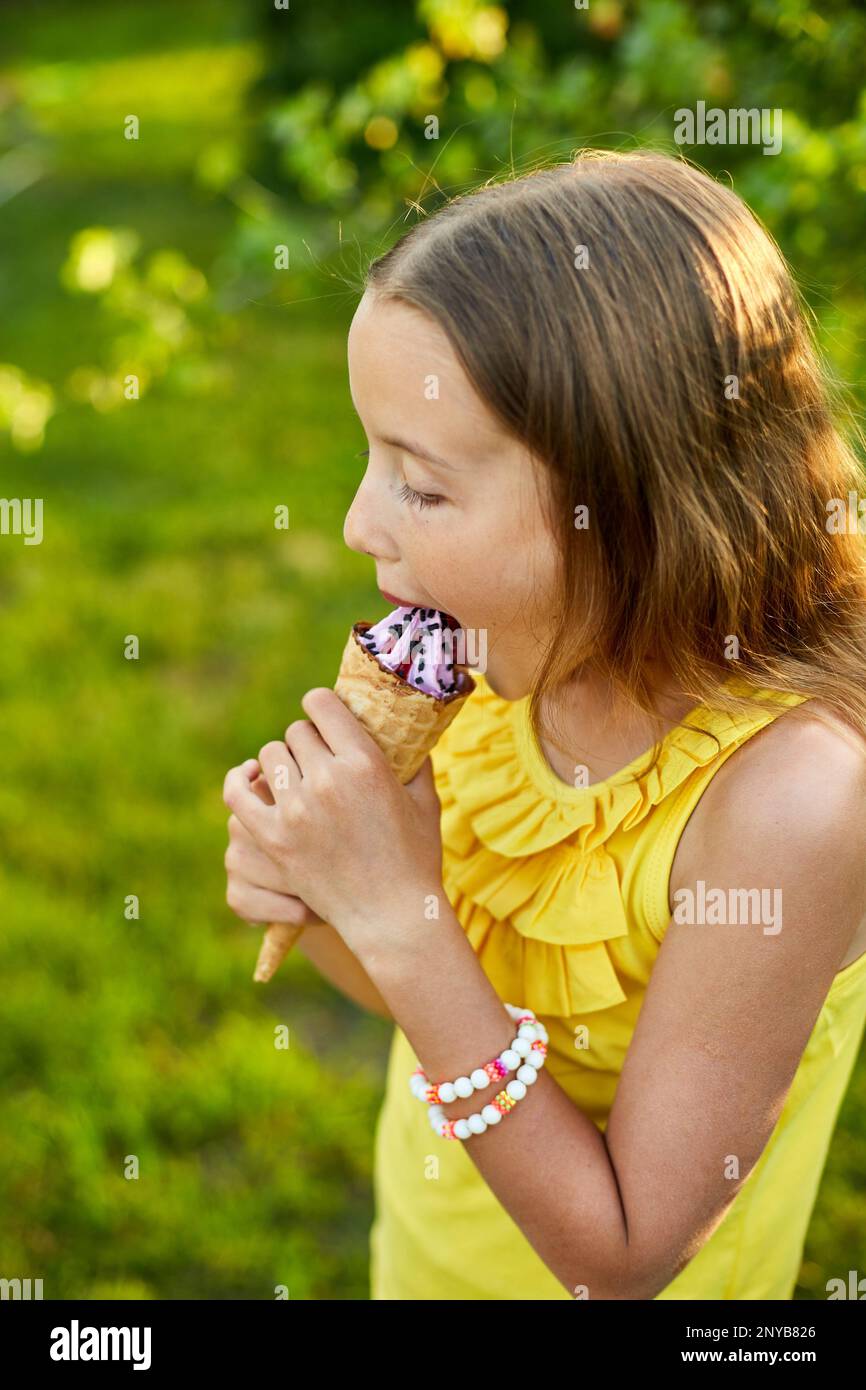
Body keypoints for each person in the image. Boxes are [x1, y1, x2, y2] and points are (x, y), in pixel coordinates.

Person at [224, 149, 866, 1300]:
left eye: (420, 485)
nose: (355, 522)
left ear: (626, 510)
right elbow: (444, 1005)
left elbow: (621, 1255)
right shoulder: (489, 676)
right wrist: (320, 894)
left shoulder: (790, 800)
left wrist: (399, 913)